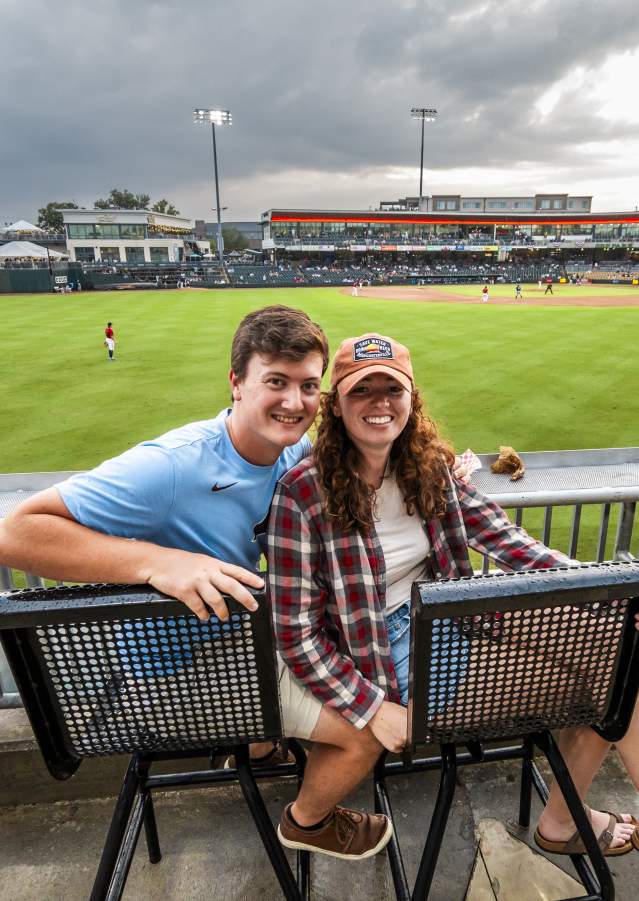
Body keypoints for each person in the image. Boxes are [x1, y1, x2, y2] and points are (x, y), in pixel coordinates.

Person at [0, 306, 392, 861]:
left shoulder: (294, 453)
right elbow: (16, 534)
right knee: (368, 722)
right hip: (175, 678)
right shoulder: (174, 465)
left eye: (309, 386)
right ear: (236, 382)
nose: (295, 402)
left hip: (235, 646)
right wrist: (156, 561)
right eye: (275, 382)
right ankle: (306, 822)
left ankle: (257, 749)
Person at [268, 332, 639, 859]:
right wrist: (373, 708)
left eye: (391, 390)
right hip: (382, 659)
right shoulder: (302, 492)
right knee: (618, 671)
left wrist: (609, 588)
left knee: (621, 638)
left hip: (450, 619)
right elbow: (295, 632)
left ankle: (562, 819)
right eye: (361, 391)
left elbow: (508, 541)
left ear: (411, 399)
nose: (379, 403)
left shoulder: (429, 466)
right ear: (337, 406)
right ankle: (561, 821)